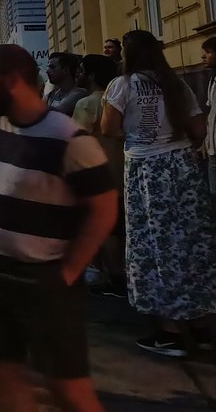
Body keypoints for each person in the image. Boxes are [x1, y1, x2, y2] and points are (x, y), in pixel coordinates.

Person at [0, 45, 116, 412]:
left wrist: (69, 271)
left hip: (44, 277)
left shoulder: (69, 138)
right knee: (4, 375)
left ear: (14, 80)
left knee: (67, 389)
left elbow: (103, 209)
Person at [101, 30, 216, 357]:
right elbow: (198, 129)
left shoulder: (122, 85)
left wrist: (141, 134)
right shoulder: (175, 83)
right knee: (192, 242)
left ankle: (171, 332)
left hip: (146, 170)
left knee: (155, 243)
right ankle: (201, 324)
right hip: (181, 167)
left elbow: (108, 128)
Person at [71, 54, 124, 297]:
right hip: (123, 170)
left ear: (91, 75)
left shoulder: (86, 103)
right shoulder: (118, 98)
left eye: (81, 70)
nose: (77, 74)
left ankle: (114, 277)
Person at [202, 36, 216, 199]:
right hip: (213, 148)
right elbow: (211, 113)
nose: (204, 56)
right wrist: (205, 142)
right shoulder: (212, 80)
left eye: (208, 52)